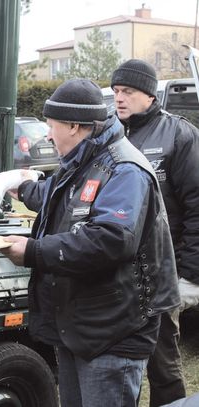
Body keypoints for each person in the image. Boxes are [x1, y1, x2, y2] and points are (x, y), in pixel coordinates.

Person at [1, 79, 180, 407]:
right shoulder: (82, 160)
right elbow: (63, 195)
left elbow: (112, 239)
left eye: (51, 126)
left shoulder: (125, 170)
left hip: (113, 332)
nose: (48, 135)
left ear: (73, 125)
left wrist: (32, 251)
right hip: (81, 327)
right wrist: (25, 189)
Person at [111, 59, 199, 407]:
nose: (119, 98)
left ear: (149, 95)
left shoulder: (179, 135)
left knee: (162, 360)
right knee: (120, 361)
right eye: (116, 91)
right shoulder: (112, 135)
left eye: (128, 92)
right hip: (119, 272)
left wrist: (189, 274)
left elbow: (197, 206)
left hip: (165, 271)